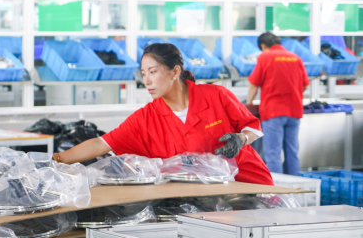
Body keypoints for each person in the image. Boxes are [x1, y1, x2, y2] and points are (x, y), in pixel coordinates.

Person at [54, 43, 273, 185]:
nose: (147, 81)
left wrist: (241, 139)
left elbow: (253, 127)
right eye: (143, 74)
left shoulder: (216, 95)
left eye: (153, 72)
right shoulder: (145, 118)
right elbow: (100, 144)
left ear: (175, 71)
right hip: (204, 197)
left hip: (248, 183)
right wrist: (56, 161)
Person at [246, 32, 309, 176]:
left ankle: (276, 188)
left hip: (273, 112)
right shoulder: (295, 58)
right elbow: (305, 85)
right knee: (292, 152)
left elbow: (254, 85)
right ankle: (295, 186)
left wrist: (248, 105)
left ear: (263, 46)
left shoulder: (265, 57)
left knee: (273, 153)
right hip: (294, 111)